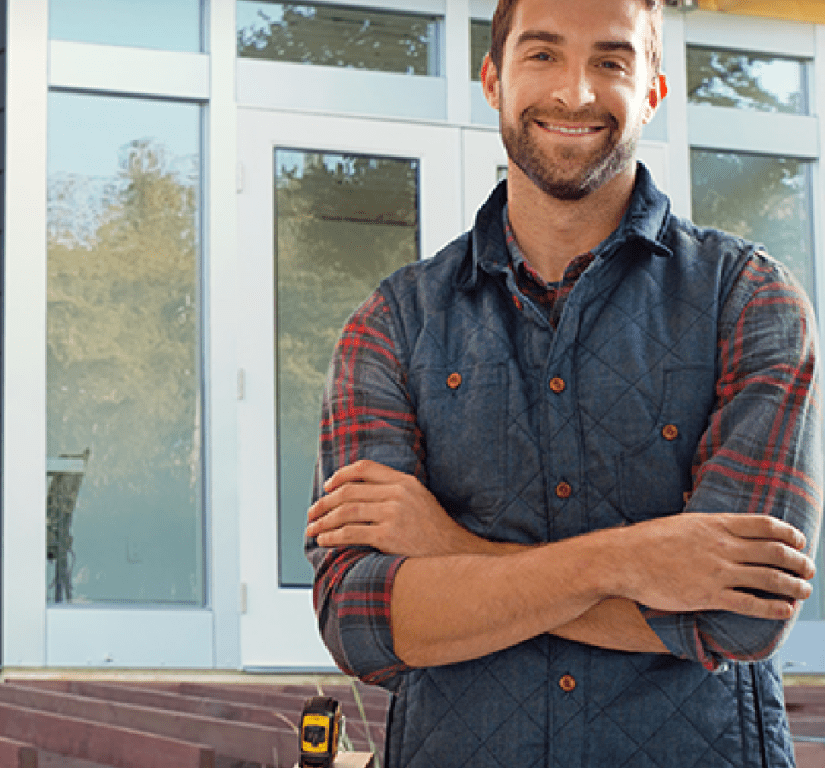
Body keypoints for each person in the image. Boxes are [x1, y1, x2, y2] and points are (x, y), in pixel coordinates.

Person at [304, 0, 823, 766]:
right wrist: (631, 562)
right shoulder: (392, 325)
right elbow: (361, 621)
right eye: (542, 55)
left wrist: (447, 549)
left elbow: (737, 615)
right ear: (493, 79)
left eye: (611, 61)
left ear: (652, 89)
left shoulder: (750, 303)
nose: (576, 93)